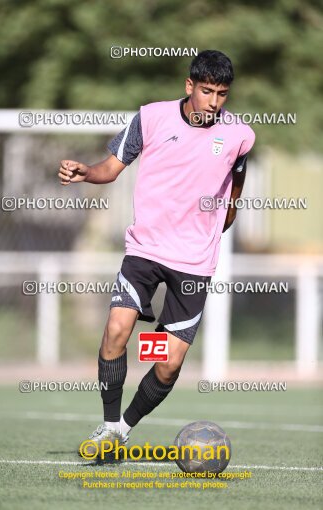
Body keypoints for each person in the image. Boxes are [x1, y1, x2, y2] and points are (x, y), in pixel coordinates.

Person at [58, 50, 255, 454]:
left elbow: (234, 196)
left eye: (222, 94)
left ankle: (125, 427)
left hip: (194, 264)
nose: (213, 102)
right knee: (116, 330)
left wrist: (209, 230)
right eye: (206, 91)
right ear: (189, 86)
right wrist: (85, 171)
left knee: (167, 362)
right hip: (144, 251)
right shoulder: (150, 117)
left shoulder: (240, 136)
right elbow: (110, 168)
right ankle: (109, 425)